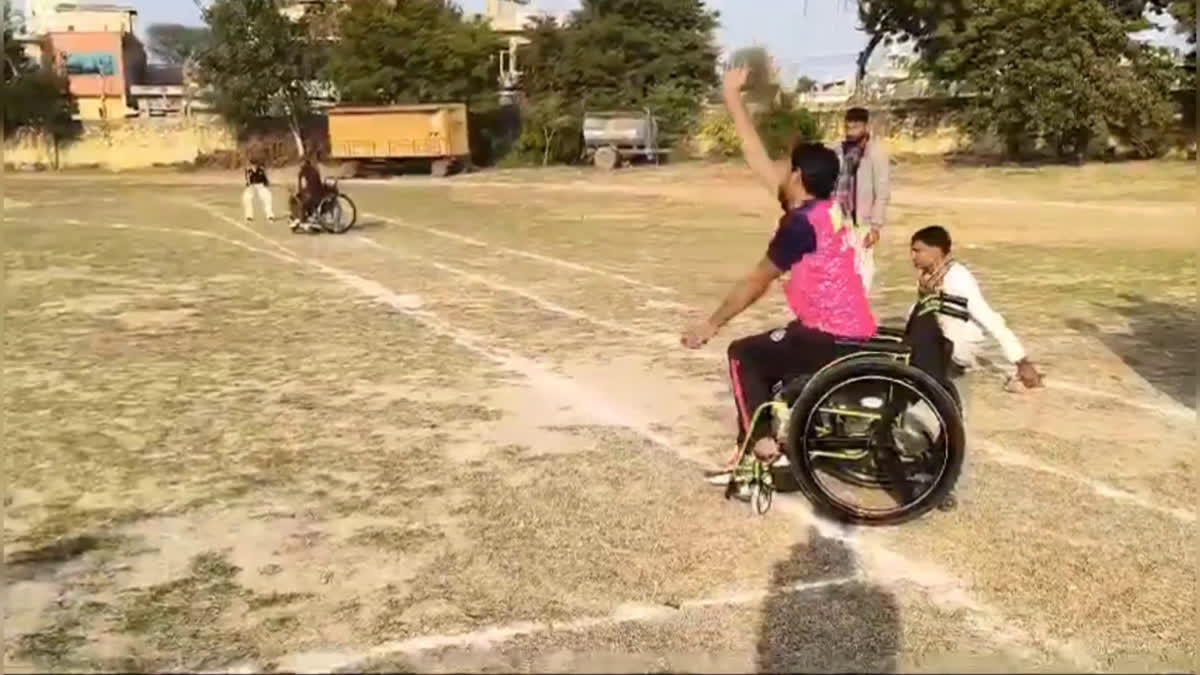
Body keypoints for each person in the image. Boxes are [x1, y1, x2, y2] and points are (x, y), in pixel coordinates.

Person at [681, 66, 877, 484]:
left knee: (743, 353)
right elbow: (756, 157)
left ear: (798, 177)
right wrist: (732, 98)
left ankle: (762, 448)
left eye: (786, 165)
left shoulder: (801, 224)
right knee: (774, 351)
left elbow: (757, 281)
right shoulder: (827, 210)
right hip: (848, 328)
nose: (779, 169)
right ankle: (751, 443)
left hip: (829, 335)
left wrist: (710, 325)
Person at [905, 225, 1042, 510]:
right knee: (938, 417)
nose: (913, 256)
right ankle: (932, 473)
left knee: (950, 421)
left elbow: (988, 317)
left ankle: (948, 485)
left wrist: (1020, 359)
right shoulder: (930, 276)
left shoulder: (957, 279)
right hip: (935, 352)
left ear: (938, 251)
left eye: (918, 250)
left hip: (954, 356)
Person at [834, 107, 890, 292]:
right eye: (848, 127)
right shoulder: (839, 151)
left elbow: (882, 191)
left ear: (866, 127)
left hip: (863, 221)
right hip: (839, 218)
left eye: (856, 126)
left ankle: (859, 310)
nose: (851, 131)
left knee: (863, 269)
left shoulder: (875, 153)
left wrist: (876, 226)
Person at [290, 155, 325, 232]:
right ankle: (299, 217)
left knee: (302, 203)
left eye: (301, 163)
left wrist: (298, 192)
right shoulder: (309, 170)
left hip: (313, 194)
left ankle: (302, 220)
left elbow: (306, 185)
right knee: (294, 199)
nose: (300, 165)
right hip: (313, 193)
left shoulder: (306, 172)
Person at [243, 159, 275, 223]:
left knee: (268, 197)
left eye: (255, 165)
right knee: (246, 198)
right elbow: (248, 182)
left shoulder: (261, 171)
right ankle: (249, 216)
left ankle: (270, 216)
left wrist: (267, 183)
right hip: (252, 186)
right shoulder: (248, 171)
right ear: (251, 165)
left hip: (260, 186)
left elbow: (266, 180)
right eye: (253, 165)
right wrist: (248, 181)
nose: (254, 166)